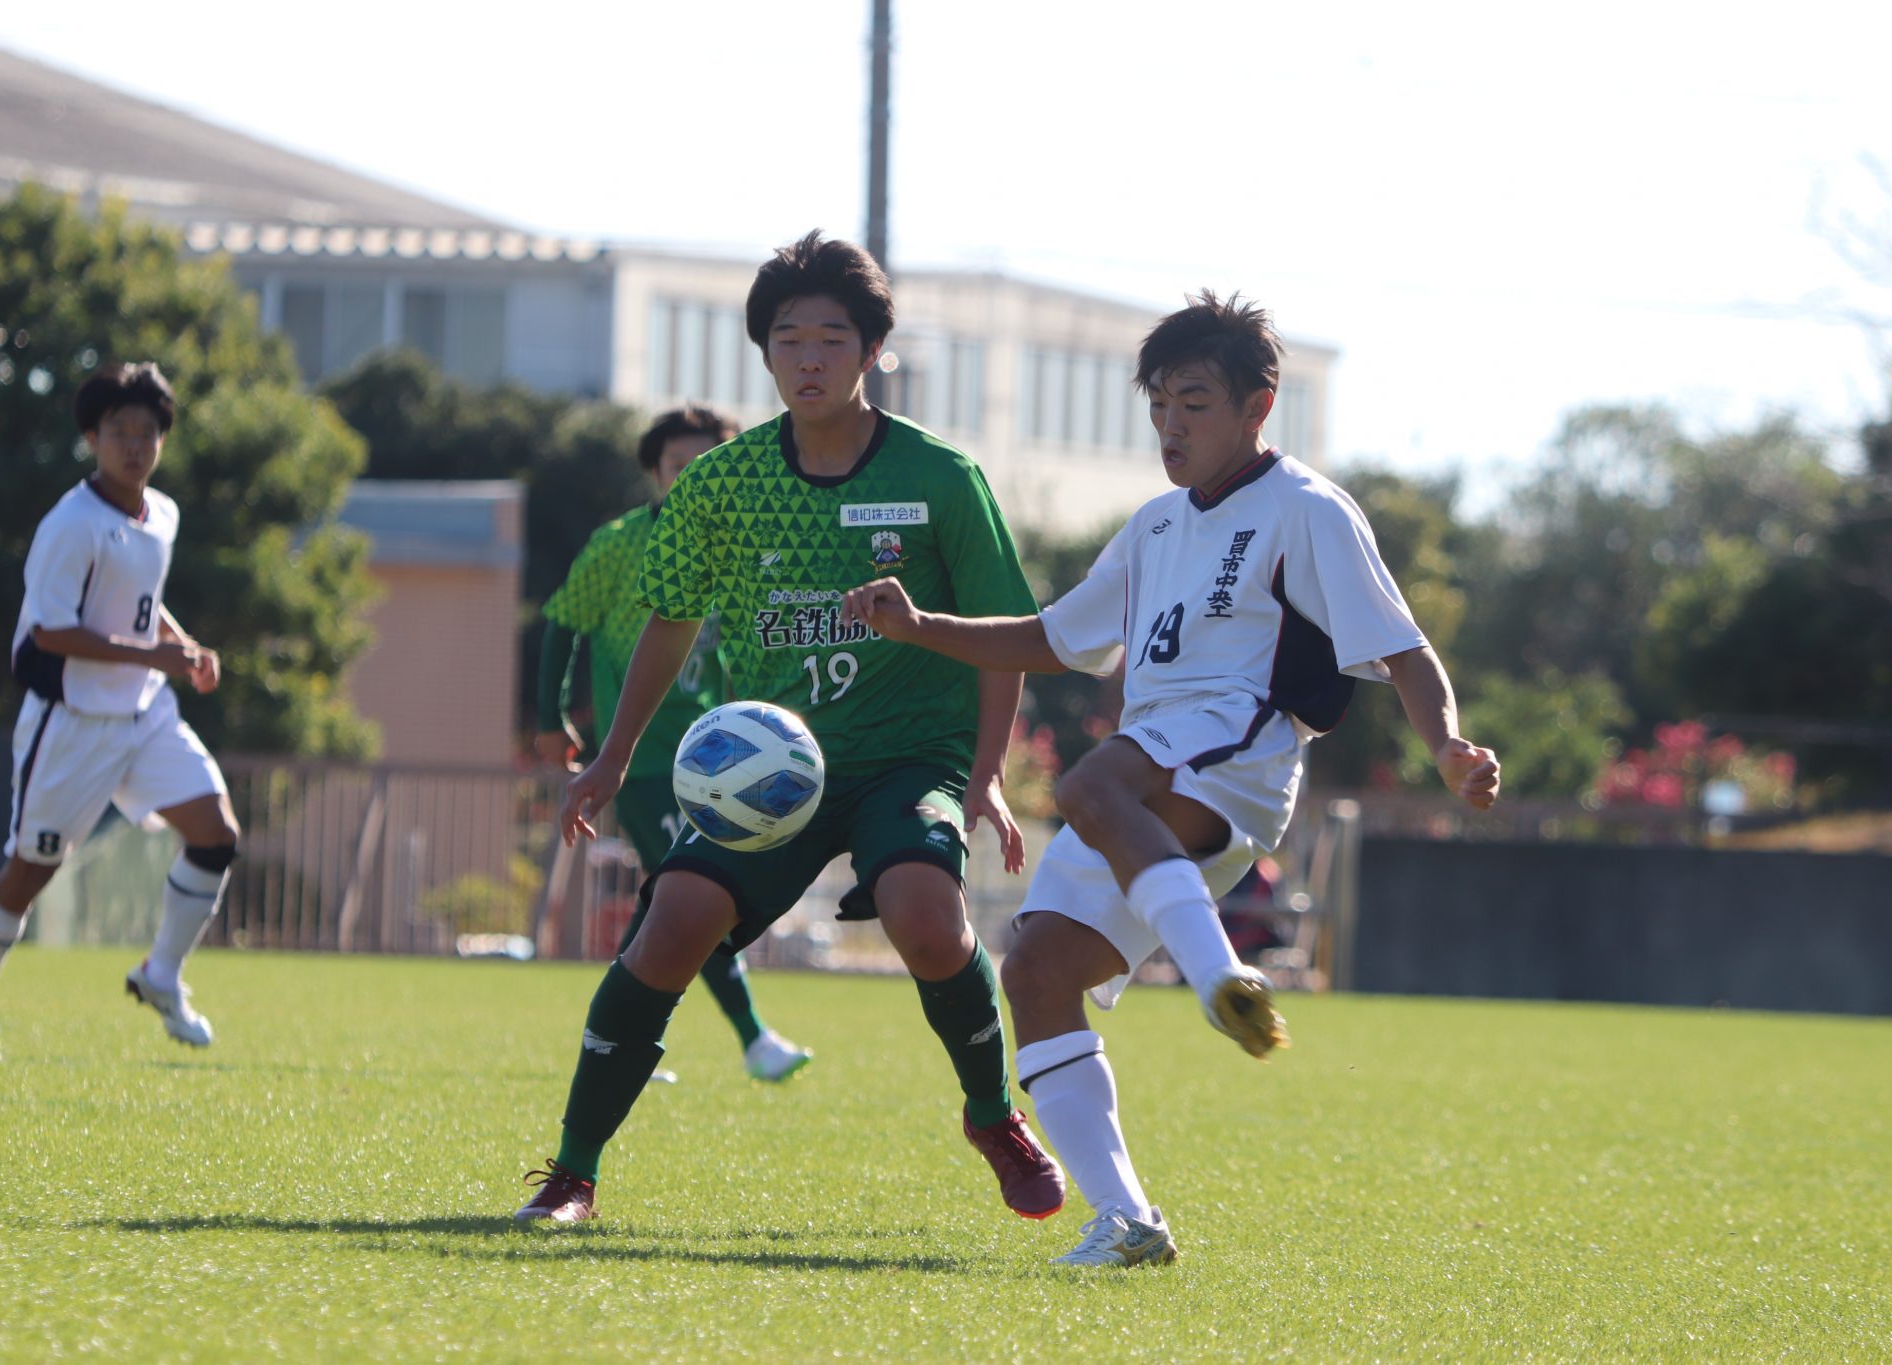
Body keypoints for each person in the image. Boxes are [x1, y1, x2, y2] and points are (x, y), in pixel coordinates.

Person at [842, 291, 1501, 1268]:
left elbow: (1401, 647)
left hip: (1238, 751)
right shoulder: (1153, 526)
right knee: (1034, 970)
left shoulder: (1307, 509)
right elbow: (1053, 638)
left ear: (1257, 407)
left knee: (1088, 786)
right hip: (1151, 771)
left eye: (1193, 403)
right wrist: (919, 626)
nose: (1170, 426)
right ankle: (1127, 1219)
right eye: (1158, 406)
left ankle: (1218, 974)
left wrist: (1445, 745)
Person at [517, 230, 1064, 1225]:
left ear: (872, 350)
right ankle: (571, 1174)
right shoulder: (720, 483)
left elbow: (1004, 634)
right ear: (763, 352)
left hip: (909, 759)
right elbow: (670, 621)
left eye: (830, 339)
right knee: (668, 928)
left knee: (925, 916)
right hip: (772, 770)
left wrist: (984, 773)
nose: (808, 359)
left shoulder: (941, 476)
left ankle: (993, 1116)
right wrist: (611, 758)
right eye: (788, 340)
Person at [0, 362, 241, 1060]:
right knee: (29, 872)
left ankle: (160, 975)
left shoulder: (161, 513)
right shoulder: (71, 524)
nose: (134, 445)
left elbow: (140, 602)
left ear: (162, 439)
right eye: (118, 431)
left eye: (147, 431)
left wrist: (184, 647)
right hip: (72, 722)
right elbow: (51, 632)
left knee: (216, 833)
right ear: (91, 438)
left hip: (144, 715)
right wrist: (153, 656)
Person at [536, 403, 814, 1083]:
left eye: (706, 464)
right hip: (644, 758)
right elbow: (563, 622)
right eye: (676, 465)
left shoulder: (749, 544)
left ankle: (614, 1036)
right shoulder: (617, 544)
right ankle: (753, 1038)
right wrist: (549, 717)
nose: (690, 477)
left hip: (724, 758)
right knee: (698, 896)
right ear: (654, 473)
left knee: (671, 898)